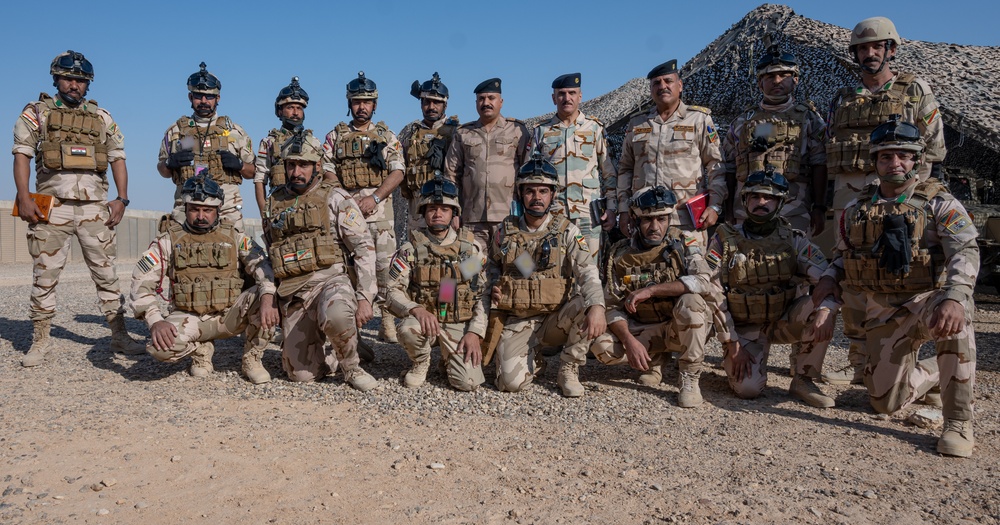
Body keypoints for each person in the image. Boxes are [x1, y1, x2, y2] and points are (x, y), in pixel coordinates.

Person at [824, 116, 977, 457]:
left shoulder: (940, 203)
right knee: (884, 403)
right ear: (875, 161)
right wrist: (826, 283)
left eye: (903, 156)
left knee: (957, 315)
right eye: (886, 156)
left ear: (917, 160)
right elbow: (842, 258)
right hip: (884, 309)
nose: (895, 163)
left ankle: (958, 421)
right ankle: (938, 372)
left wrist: (955, 295)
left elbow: (965, 251)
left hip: (928, 301)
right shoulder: (855, 209)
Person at [824, 16, 947, 384]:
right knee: (854, 272)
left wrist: (921, 199)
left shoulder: (914, 91)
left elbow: (935, 148)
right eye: (863, 48)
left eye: (877, 47)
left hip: (902, 198)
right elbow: (831, 148)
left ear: (890, 50)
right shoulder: (842, 99)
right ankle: (859, 358)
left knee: (904, 273)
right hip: (852, 200)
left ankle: (902, 355)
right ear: (855, 54)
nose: (870, 53)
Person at [13, 50, 144, 367]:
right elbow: (21, 155)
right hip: (52, 209)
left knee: (107, 276)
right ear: (56, 79)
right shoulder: (37, 113)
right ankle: (41, 341)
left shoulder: (101, 118)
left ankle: (119, 335)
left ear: (88, 85)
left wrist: (122, 199)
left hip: (94, 210)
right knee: (44, 276)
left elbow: (118, 158)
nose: (74, 85)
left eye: (81, 81)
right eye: (69, 79)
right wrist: (24, 196)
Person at [706, 169, 838, 408]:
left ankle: (803, 379)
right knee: (748, 389)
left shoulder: (793, 240)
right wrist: (732, 344)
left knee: (822, 303)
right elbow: (712, 292)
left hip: (783, 321)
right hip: (745, 327)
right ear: (745, 201)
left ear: (781, 203)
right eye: (755, 197)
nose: (761, 202)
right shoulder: (725, 240)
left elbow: (826, 277)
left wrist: (826, 311)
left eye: (770, 198)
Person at [129, 175, 278, 384]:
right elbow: (140, 283)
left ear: (217, 211)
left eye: (207, 210)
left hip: (229, 316)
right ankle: (200, 350)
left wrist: (268, 295)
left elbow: (262, 265)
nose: (201, 216)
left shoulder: (235, 237)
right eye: (194, 209)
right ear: (185, 208)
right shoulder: (169, 241)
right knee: (158, 349)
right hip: (189, 317)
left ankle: (252, 358)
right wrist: (155, 321)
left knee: (270, 295)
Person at [268, 129, 379, 390]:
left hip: (331, 282)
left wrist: (365, 296)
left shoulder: (336, 197)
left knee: (337, 314)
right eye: (291, 164)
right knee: (302, 375)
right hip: (294, 290)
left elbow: (363, 247)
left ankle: (351, 367)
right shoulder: (274, 201)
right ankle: (333, 352)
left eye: (304, 165)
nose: (297, 171)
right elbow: (271, 249)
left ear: (317, 166)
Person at [488, 153, 605, 398]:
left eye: (543, 191)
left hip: (556, 317)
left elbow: (587, 271)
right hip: (518, 318)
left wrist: (597, 306)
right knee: (509, 384)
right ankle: (535, 360)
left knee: (587, 303)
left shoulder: (567, 231)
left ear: (553, 194)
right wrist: (492, 288)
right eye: (530, 191)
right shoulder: (503, 231)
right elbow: (489, 268)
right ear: (521, 194)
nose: (537, 197)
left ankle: (569, 368)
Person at [591, 186, 714, 408]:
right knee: (602, 347)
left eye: (662, 219)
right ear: (636, 221)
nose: (655, 227)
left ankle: (690, 376)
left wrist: (652, 290)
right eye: (648, 220)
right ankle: (655, 359)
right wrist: (629, 341)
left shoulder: (684, 243)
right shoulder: (620, 253)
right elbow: (612, 306)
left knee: (692, 302)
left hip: (677, 327)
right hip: (644, 329)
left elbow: (704, 281)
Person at [321, 71, 405, 344]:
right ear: (349, 103)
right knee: (351, 271)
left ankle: (387, 321)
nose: (361, 107)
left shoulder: (386, 136)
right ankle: (353, 328)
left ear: (375, 105)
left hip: (379, 216)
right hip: (346, 215)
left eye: (366, 102)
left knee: (385, 271)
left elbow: (398, 171)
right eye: (357, 101)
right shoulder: (335, 136)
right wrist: (346, 198)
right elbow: (326, 170)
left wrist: (376, 198)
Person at [385, 177, 488, 390]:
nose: (438, 213)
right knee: (407, 329)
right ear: (423, 212)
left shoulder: (469, 250)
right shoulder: (410, 249)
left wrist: (475, 332)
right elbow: (392, 290)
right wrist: (416, 309)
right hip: (424, 322)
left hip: (458, 321)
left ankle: (447, 358)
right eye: (432, 208)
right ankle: (420, 362)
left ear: (454, 213)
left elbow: (481, 293)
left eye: (444, 209)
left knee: (468, 383)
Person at [714, 46, 827, 234]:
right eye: (769, 77)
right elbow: (730, 167)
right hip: (747, 210)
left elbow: (820, 164)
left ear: (795, 80)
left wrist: (820, 208)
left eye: (784, 75)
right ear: (760, 83)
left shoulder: (809, 119)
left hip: (793, 210)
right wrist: (729, 211)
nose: (777, 81)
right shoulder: (743, 121)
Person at [616, 59, 723, 245]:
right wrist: (624, 211)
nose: (662, 86)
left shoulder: (699, 119)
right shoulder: (637, 123)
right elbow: (625, 168)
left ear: (679, 85)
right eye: (656, 83)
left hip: (685, 220)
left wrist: (715, 205)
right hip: (646, 221)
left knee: (693, 272)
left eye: (668, 81)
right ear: (650, 89)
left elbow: (716, 165)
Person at [157, 62, 255, 233]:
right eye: (198, 96)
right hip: (187, 208)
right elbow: (162, 170)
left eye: (209, 97)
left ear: (218, 98)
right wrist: (169, 164)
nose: (203, 101)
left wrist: (239, 165)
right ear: (190, 97)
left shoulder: (235, 132)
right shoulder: (176, 131)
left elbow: (253, 172)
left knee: (233, 254)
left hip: (227, 209)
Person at [528, 73, 617, 259]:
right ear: (553, 98)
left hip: (588, 214)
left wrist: (611, 208)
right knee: (555, 267)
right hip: (553, 214)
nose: (566, 98)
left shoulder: (594, 128)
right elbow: (530, 176)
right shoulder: (541, 131)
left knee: (589, 269)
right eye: (561, 94)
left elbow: (608, 173)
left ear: (580, 96)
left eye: (571, 93)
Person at [444, 77, 530, 248]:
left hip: (509, 218)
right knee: (470, 268)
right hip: (472, 219)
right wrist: (453, 211)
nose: (486, 103)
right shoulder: (464, 134)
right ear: (476, 103)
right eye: (481, 99)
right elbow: (451, 174)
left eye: (491, 98)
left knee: (513, 265)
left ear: (501, 102)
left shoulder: (518, 131)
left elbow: (526, 173)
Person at [254, 76, 329, 216]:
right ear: (280, 111)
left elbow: (322, 177)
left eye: (299, 108)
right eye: (290, 108)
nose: (295, 113)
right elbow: (260, 180)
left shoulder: (313, 142)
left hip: (310, 206)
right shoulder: (269, 143)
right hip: (280, 205)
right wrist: (265, 215)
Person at [398, 72, 460, 231]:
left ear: (445, 105)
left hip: (446, 208)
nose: (431, 107)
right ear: (421, 104)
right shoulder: (410, 134)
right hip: (418, 210)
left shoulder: (457, 133)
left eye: (437, 103)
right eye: (427, 102)